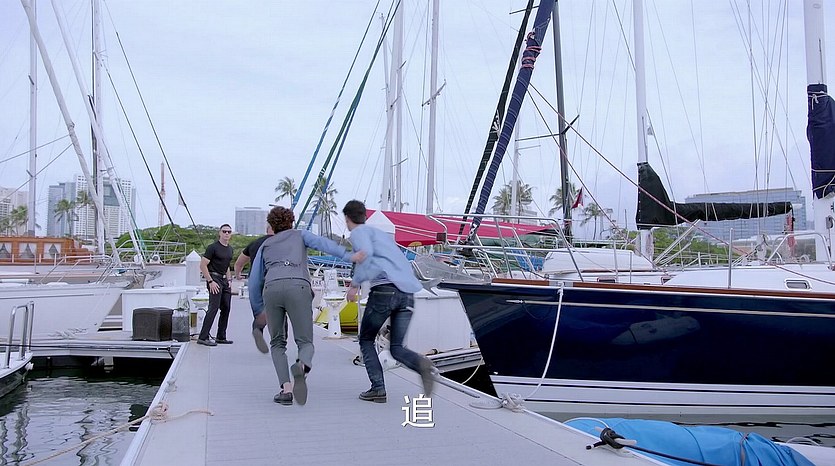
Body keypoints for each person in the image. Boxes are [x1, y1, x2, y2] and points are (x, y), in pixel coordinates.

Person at [249, 206, 361, 406]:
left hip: (272, 289)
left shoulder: (265, 245)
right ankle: (302, 366)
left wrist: (259, 309)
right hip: (298, 287)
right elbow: (325, 245)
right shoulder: (301, 235)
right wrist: (349, 256)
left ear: (272, 225)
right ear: (291, 222)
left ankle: (286, 390)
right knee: (305, 342)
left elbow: (254, 280)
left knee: (277, 343)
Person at [343, 200, 435, 403]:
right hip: (407, 294)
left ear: (348, 218)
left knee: (366, 339)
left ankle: (378, 389)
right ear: (364, 216)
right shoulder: (384, 239)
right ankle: (423, 366)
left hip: (384, 292)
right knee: (396, 348)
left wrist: (354, 286)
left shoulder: (359, 233)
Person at [234, 223, 274, 354]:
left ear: (267, 229)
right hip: (273, 280)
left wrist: (238, 275)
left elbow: (239, 263)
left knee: (259, 312)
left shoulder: (254, 243)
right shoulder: (280, 243)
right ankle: (279, 344)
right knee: (279, 311)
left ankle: (258, 329)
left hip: (255, 281)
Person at [197, 224, 235, 346]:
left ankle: (221, 336)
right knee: (213, 307)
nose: (226, 234)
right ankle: (203, 337)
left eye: (229, 232)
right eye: (224, 231)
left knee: (226, 307)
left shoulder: (230, 249)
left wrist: (229, 280)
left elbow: (227, 265)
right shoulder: (212, 248)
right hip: (214, 278)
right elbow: (203, 265)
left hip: (224, 280)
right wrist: (210, 281)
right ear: (219, 233)